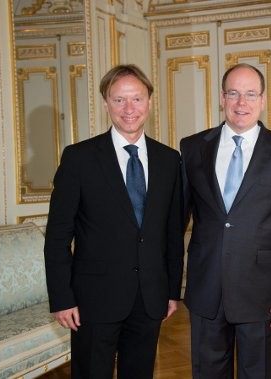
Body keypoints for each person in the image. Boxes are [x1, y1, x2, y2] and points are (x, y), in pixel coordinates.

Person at [44, 64, 184, 379]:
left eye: (136, 99)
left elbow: (172, 233)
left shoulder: (169, 160)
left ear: (150, 102)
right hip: (92, 301)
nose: (129, 109)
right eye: (119, 100)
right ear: (106, 104)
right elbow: (57, 237)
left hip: (149, 298)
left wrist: (172, 290)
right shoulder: (78, 158)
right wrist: (62, 297)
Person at [180, 63, 271, 378]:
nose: (242, 103)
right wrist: (171, 287)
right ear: (222, 98)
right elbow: (175, 224)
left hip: (262, 293)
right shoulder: (192, 148)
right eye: (234, 93)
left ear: (263, 100)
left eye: (250, 94)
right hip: (206, 289)